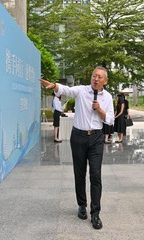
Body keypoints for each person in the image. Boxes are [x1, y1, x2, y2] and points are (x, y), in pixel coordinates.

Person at [40, 66, 114, 230]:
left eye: (99, 77)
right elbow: (66, 89)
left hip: (96, 137)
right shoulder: (81, 91)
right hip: (78, 137)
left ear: (105, 81)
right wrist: (55, 86)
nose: (96, 79)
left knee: (95, 175)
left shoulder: (108, 97)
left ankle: (95, 213)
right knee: (79, 173)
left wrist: (100, 110)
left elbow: (110, 120)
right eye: (94, 75)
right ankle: (82, 205)